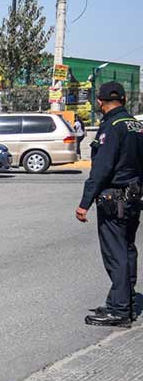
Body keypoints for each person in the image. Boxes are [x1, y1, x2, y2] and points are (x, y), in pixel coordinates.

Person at [77, 81, 143, 326]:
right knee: (127, 250)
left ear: (100, 102)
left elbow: (102, 168)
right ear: (124, 100)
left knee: (116, 254)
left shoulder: (112, 127)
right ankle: (125, 301)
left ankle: (119, 310)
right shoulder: (136, 125)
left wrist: (85, 202)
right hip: (133, 197)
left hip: (113, 199)